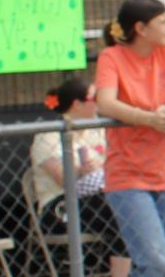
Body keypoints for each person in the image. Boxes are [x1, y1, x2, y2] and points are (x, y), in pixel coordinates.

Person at [95, 0, 165, 277]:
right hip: (128, 175)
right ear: (140, 28)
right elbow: (106, 102)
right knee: (156, 263)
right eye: (162, 23)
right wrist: (148, 118)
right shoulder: (111, 57)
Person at [32, 78, 131, 277]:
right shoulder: (48, 136)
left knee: (127, 205)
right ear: (77, 104)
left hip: (100, 197)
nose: (100, 102)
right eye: (94, 98)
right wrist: (81, 170)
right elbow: (63, 180)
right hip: (61, 205)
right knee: (121, 210)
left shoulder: (96, 131)